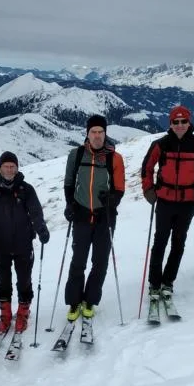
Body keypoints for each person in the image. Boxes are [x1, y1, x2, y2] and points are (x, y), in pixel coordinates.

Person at [140, 105, 194, 299]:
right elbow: (146, 168)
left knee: (178, 243)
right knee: (159, 243)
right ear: (170, 124)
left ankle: (168, 282)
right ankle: (154, 283)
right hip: (164, 200)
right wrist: (148, 189)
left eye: (183, 121)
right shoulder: (161, 144)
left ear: (189, 123)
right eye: (176, 122)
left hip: (187, 201)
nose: (180, 125)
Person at [0, 151, 50, 335]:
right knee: (4, 281)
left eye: (12, 166)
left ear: (17, 168)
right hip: (0, 244)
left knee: (24, 280)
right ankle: (6, 314)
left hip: (23, 244)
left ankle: (23, 313)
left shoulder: (26, 189)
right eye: (6, 166)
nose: (9, 169)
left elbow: (35, 212)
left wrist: (41, 229)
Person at [63, 115, 126, 321]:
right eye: (93, 132)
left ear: (105, 133)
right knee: (78, 261)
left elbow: (119, 188)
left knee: (100, 262)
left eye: (100, 132)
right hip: (81, 214)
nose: (97, 136)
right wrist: (69, 204)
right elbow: (69, 183)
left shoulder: (114, 158)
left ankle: (90, 300)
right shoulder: (77, 154)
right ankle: (74, 301)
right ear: (87, 134)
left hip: (104, 217)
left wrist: (111, 200)